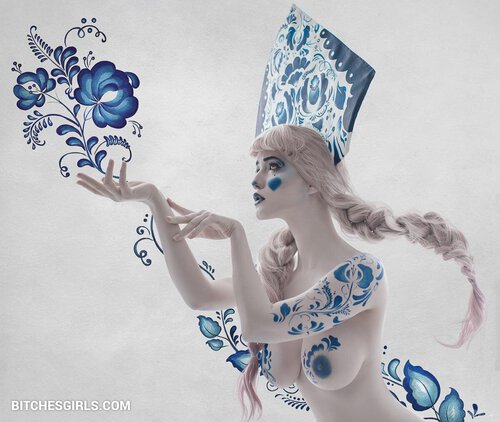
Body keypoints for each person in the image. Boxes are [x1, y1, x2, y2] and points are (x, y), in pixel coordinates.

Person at [75, 124, 485, 422]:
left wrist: (235, 234)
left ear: (312, 181)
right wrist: (152, 199)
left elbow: (260, 323)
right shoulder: (279, 277)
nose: (256, 180)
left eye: (272, 167)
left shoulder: (361, 276)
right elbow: (198, 296)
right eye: (256, 167)